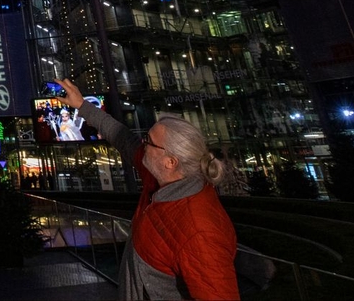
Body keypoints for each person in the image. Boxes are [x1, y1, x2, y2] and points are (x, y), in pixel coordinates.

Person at [55, 78, 239, 300]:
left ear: (170, 161)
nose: (143, 145)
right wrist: (82, 105)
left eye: (149, 142)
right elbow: (122, 138)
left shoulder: (199, 230)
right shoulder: (158, 178)